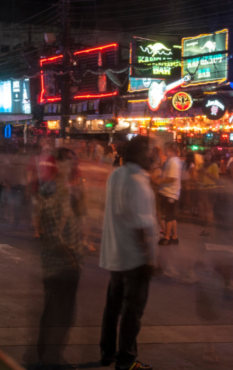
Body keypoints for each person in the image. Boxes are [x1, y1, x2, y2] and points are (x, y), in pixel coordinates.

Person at [99, 135, 157, 370]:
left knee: (113, 307)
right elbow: (141, 224)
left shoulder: (116, 175)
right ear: (139, 154)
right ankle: (126, 360)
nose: (153, 156)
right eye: (149, 151)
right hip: (134, 258)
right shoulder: (137, 181)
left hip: (115, 254)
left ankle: (107, 351)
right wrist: (149, 257)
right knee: (132, 311)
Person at [33, 148, 84, 367]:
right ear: (58, 164)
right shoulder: (54, 190)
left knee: (56, 311)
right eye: (68, 162)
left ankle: (48, 355)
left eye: (73, 162)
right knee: (60, 313)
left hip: (60, 261)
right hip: (61, 263)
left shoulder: (62, 189)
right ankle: (51, 358)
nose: (72, 166)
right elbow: (52, 233)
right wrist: (71, 258)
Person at [157, 143, 181, 246]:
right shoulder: (173, 161)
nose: (165, 151)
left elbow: (172, 178)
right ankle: (174, 236)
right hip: (170, 192)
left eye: (167, 149)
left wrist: (159, 181)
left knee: (168, 217)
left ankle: (167, 238)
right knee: (171, 216)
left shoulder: (173, 162)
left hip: (170, 192)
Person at [199, 149, 219, 236]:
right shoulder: (202, 165)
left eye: (209, 154)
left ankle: (208, 229)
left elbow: (216, 178)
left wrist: (207, 173)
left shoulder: (214, 165)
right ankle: (205, 227)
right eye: (206, 154)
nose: (207, 156)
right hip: (203, 189)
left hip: (211, 189)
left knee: (209, 209)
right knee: (203, 209)